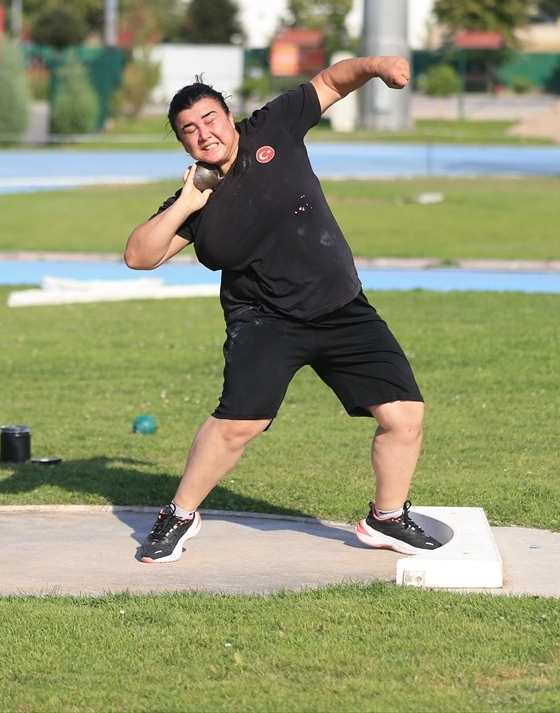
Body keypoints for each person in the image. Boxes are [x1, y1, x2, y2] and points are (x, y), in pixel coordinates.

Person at [123, 56, 442, 564]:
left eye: (209, 119)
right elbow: (138, 256)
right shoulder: (195, 200)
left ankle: (386, 518)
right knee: (237, 425)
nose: (204, 134)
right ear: (184, 144)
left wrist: (379, 66)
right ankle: (179, 515)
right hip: (264, 322)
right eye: (189, 130)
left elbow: (334, 80)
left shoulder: (275, 125)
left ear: (228, 116)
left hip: (340, 306)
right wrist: (186, 202)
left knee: (404, 416)